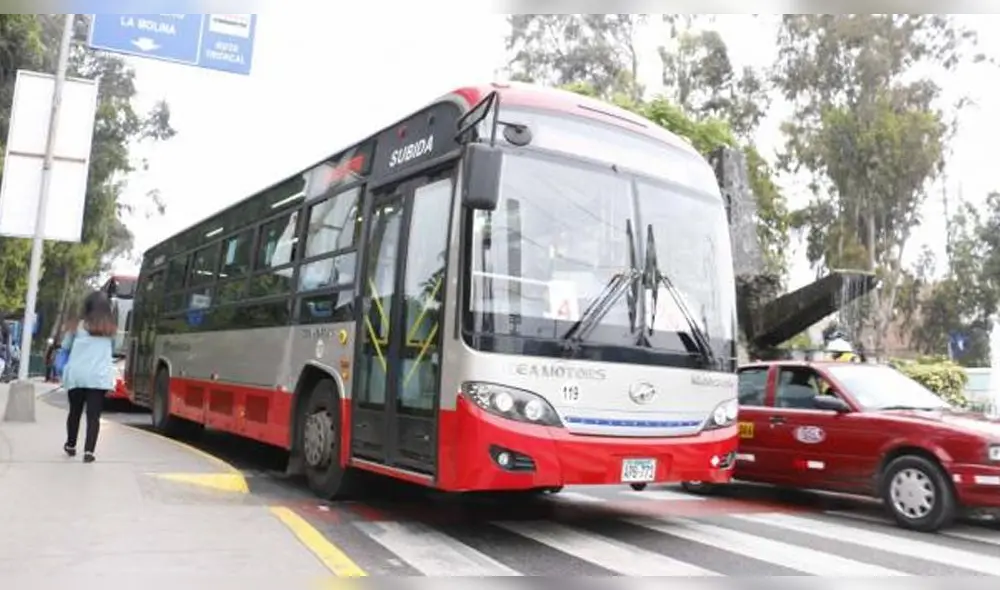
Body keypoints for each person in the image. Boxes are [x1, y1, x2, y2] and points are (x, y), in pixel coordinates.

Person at [61, 291, 118, 463]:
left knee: (75, 412)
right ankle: (89, 452)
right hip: (98, 378)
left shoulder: (77, 327)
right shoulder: (110, 331)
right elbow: (113, 351)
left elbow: (65, 346)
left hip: (77, 375)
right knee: (94, 416)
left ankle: (71, 445)